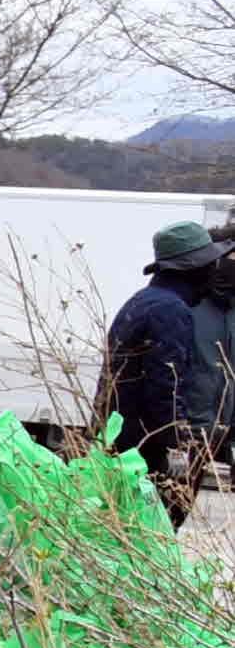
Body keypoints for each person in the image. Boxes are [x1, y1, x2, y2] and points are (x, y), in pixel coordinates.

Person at [104, 220, 234, 525]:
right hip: (149, 449)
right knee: (154, 530)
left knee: (127, 527)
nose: (215, 271)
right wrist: (177, 447)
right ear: (192, 268)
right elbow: (166, 387)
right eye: (210, 264)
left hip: (128, 444)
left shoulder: (144, 301)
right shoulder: (170, 311)